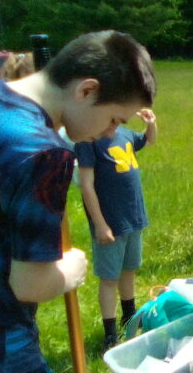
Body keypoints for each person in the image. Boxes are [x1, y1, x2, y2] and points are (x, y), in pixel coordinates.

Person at [0, 30, 156, 372]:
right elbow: (29, 284)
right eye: (114, 120)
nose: (110, 133)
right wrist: (68, 271)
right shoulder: (44, 153)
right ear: (86, 90)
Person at [76, 109, 158, 350]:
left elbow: (148, 139)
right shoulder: (87, 140)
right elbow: (87, 186)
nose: (115, 124)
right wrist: (100, 224)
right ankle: (111, 333)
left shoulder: (124, 133)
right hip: (110, 223)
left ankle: (129, 316)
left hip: (133, 217)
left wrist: (151, 124)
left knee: (129, 270)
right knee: (110, 278)